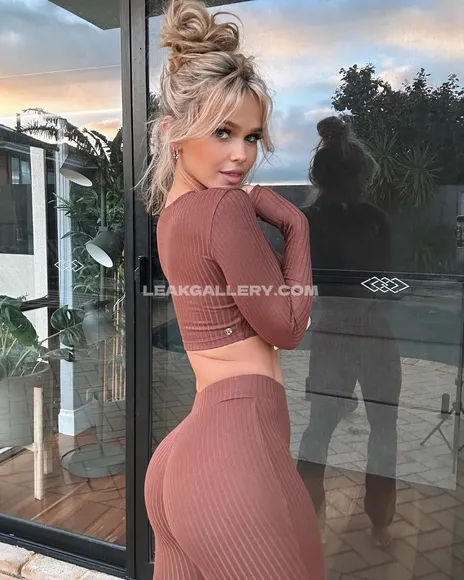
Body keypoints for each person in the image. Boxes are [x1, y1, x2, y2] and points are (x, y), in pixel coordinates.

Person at [142, 1, 325, 579]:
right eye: (223, 132)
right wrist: (296, 225)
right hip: (234, 451)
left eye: (251, 136)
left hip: (183, 457)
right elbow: (288, 328)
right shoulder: (223, 209)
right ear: (173, 134)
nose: (242, 154)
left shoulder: (171, 216)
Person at [296, 116, 402, 547]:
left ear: (319, 177)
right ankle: (380, 523)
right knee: (384, 425)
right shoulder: (375, 219)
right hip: (374, 330)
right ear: (361, 177)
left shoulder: (304, 221)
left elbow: (298, 280)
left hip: (330, 331)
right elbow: (390, 283)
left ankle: (306, 519)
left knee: (318, 427)